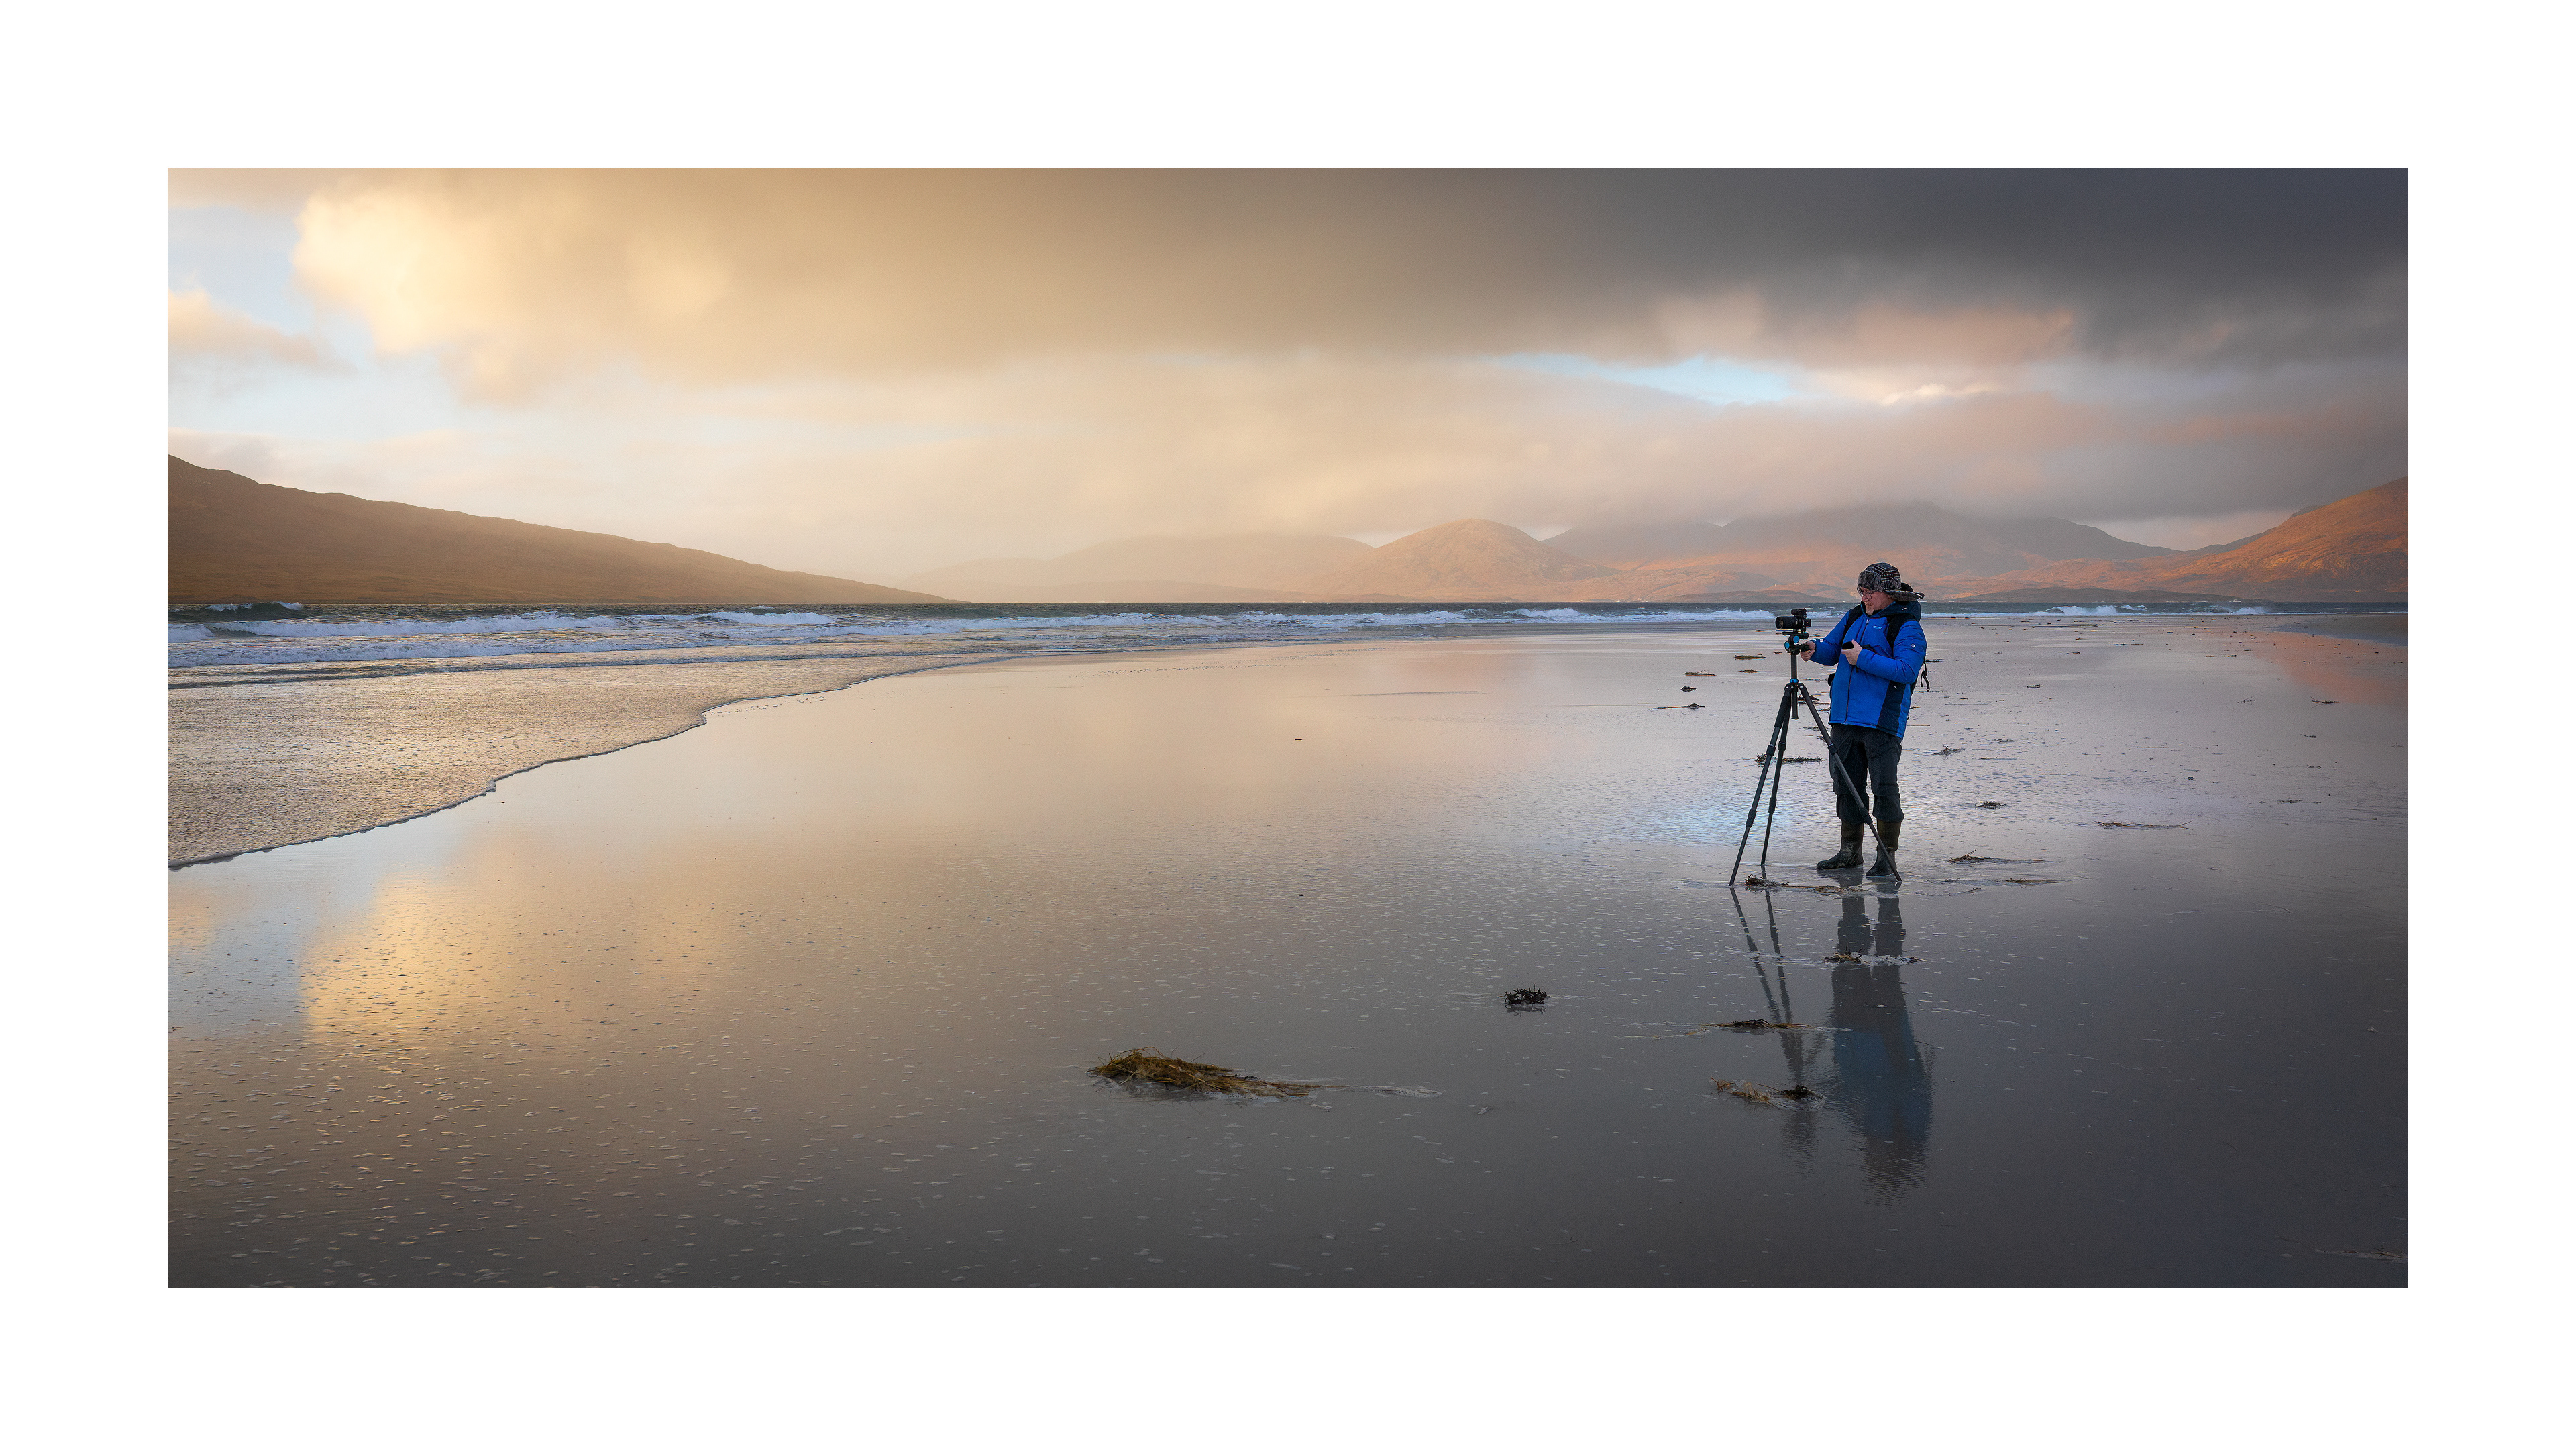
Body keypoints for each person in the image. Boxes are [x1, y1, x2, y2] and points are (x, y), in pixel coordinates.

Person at [1794, 562, 1927, 875]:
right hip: (1844, 719)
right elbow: (1833, 649)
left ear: (1890, 593)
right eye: (1861, 591)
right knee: (1846, 786)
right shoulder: (1855, 616)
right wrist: (1814, 649)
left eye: (1870, 592)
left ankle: (1887, 856)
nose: (1864, 597)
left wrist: (1862, 658)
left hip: (1881, 721)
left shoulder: (1907, 625)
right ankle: (1850, 851)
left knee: (1884, 787)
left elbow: (1907, 671)